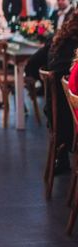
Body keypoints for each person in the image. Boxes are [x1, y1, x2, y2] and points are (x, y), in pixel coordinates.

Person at [46, 12, 78, 174]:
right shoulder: (75, 47)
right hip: (70, 119)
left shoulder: (61, 39)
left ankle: (62, 156)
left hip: (58, 113)